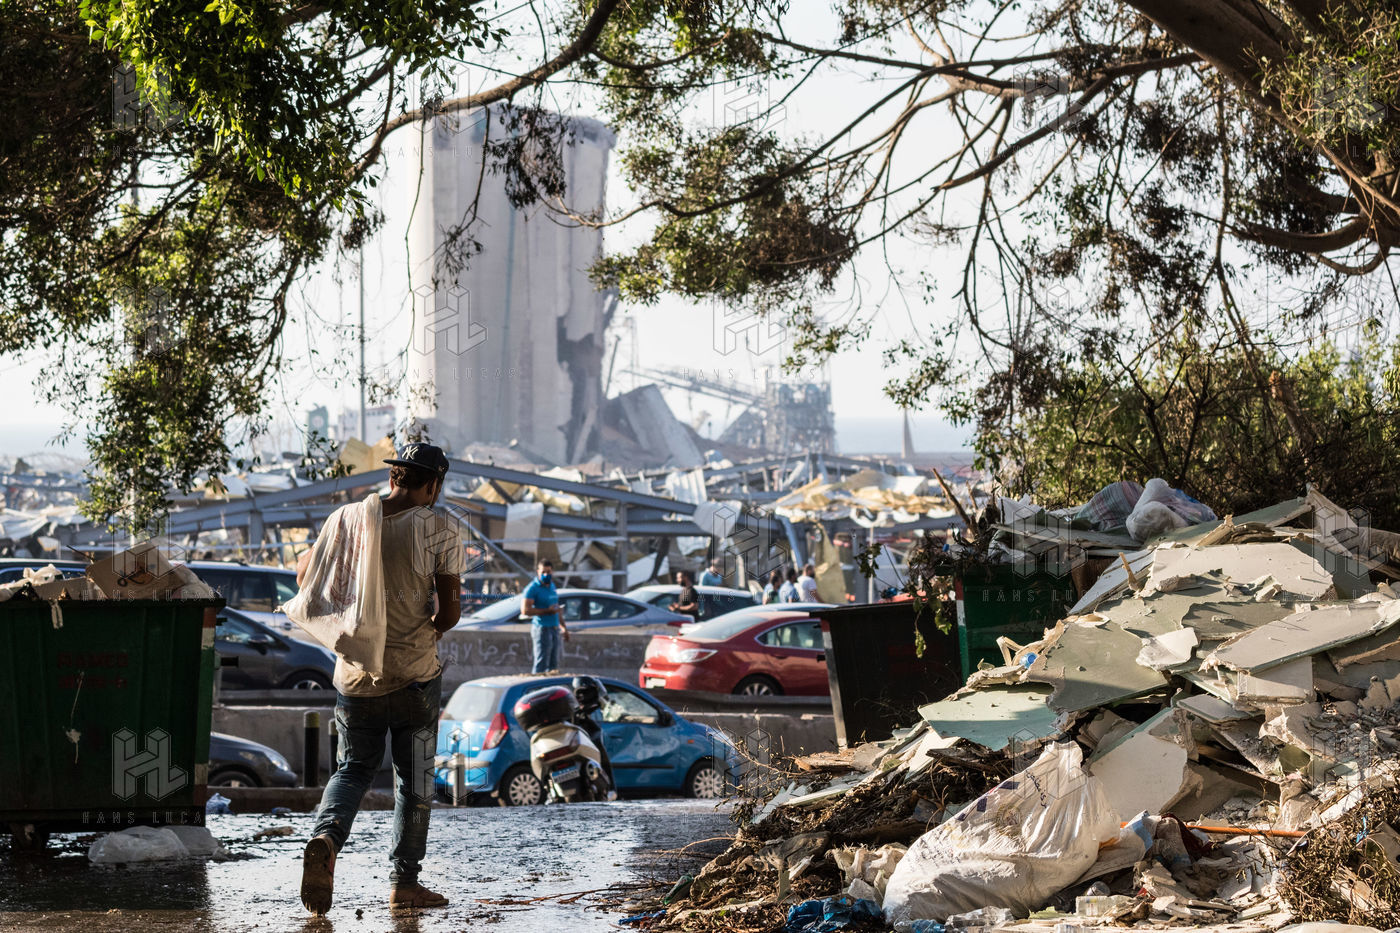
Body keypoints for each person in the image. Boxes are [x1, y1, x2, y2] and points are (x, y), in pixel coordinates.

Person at [298, 443, 463, 915]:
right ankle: (404, 884)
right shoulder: (440, 527)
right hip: (415, 675)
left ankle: (327, 839)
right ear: (433, 485)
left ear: (394, 477)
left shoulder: (346, 519)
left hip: (355, 677)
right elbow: (449, 612)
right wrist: (429, 630)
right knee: (414, 780)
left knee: (352, 769)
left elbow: (305, 576)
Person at [523, 559, 568, 673]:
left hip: (554, 628)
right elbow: (525, 610)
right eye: (543, 572)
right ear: (538, 571)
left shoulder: (552, 586)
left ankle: (551, 684)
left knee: (554, 665)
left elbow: (556, 608)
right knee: (541, 663)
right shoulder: (532, 588)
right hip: (541, 628)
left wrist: (563, 627)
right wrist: (547, 611)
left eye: (548, 572)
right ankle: (536, 683)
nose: (546, 575)